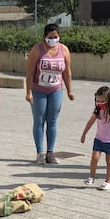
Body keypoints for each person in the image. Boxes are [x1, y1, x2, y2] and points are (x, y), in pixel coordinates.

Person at [25, 23, 75, 165]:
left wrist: (70, 90)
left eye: (56, 37)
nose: (53, 40)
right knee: (39, 121)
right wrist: (28, 92)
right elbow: (29, 73)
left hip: (55, 90)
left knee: (52, 122)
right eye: (50, 37)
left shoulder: (64, 50)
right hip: (38, 90)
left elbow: (67, 72)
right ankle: (40, 152)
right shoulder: (37, 50)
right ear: (44, 37)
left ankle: (50, 153)